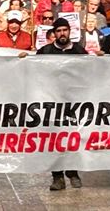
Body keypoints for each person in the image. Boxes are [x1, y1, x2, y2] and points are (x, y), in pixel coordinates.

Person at [36, 18, 87, 190]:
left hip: (73, 103)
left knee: (72, 138)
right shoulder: (45, 51)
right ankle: (57, 177)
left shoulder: (79, 51)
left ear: (69, 31)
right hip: (52, 103)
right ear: (54, 33)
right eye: (58, 31)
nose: (62, 33)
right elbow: (34, 70)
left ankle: (73, 172)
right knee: (54, 140)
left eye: (65, 30)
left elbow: (89, 72)